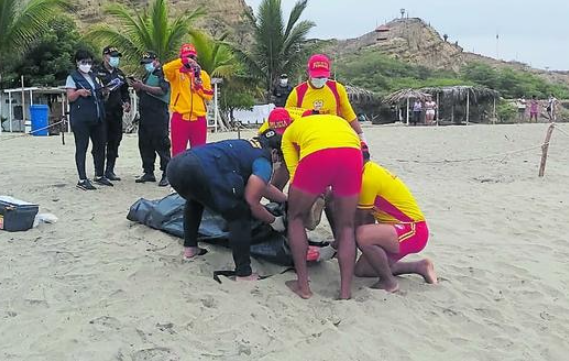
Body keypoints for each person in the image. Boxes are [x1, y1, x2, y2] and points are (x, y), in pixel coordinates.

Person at [166, 131, 288, 281]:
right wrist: (273, 221)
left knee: (195, 200)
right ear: (274, 152)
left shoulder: (247, 146)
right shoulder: (264, 160)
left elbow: (264, 186)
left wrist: (285, 200)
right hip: (200, 170)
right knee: (240, 214)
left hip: (176, 166)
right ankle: (244, 273)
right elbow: (252, 201)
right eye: (280, 160)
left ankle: (190, 248)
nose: (279, 164)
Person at [281, 114, 363, 300]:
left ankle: (303, 286)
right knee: (347, 226)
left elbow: (295, 173)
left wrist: (312, 192)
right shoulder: (338, 120)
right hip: (351, 153)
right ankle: (345, 293)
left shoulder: (290, 132)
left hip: (317, 156)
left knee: (295, 218)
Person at [353, 158, 437, 293]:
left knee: (362, 234)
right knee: (362, 270)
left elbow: (361, 218)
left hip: (413, 230)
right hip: (398, 230)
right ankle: (419, 266)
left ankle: (389, 283)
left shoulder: (367, 179)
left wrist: (339, 244)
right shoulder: (370, 169)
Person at [285, 54, 367, 145]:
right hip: (309, 140)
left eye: (323, 76)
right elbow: (287, 117)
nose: (320, 79)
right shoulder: (297, 93)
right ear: (308, 72)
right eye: (317, 76)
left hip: (334, 137)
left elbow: (348, 113)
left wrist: (361, 135)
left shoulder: (337, 89)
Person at [65, 49, 113, 190]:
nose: (87, 65)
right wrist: (79, 92)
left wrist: (105, 92)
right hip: (81, 118)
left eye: (89, 62)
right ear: (77, 62)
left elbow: (99, 94)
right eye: (83, 62)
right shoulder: (72, 77)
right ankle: (82, 179)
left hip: (97, 116)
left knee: (100, 146)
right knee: (82, 147)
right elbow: (70, 97)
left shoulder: (94, 76)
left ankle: (99, 174)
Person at [163, 43, 214, 156]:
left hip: (199, 118)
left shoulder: (203, 74)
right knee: (178, 152)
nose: (190, 60)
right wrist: (182, 62)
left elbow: (209, 94)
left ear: (196, 58)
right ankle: (177, 174)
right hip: (180, 117)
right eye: (187, 57)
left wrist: (198, 87)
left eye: (192, 57)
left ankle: (197, 174)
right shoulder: (176, 73)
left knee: (200, 153)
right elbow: (165, 69)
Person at [131, 52, 172, 186]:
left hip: (158, 114)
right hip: (145, 115)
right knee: (145, 144)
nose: (147, 65)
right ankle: (148, 172)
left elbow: (162, 90)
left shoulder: (162, 74)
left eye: (149, 62)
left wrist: (143, 86)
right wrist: (138, 88)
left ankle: (166, 173)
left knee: (161, 144)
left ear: (156, 60)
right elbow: (143, 93)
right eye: (145, 63)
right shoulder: (147, 75)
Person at [94, 46, 131, 181]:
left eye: (117, 57)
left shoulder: (120, 73)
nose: (115, 59)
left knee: (115, 141)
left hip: (116, 113)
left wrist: (127, 102)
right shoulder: (96, 72)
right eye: (112, 56)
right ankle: (99, 172)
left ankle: (110, 170)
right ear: (105, 56)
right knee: (100, 142)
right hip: (101, 113)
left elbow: (125, 91)